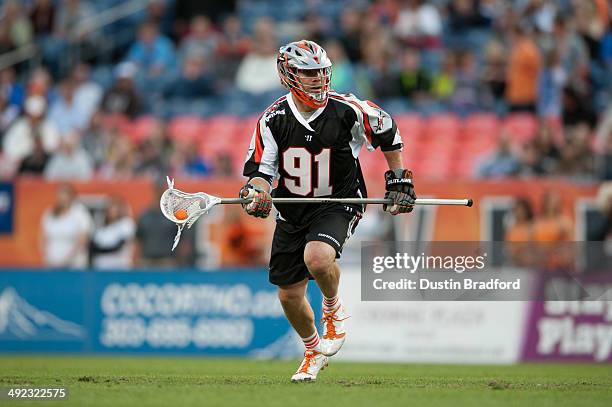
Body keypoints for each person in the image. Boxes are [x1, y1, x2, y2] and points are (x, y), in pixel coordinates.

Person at [240, 40, 416, 382]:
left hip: (340, 200)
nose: (317, 79)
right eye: (307, 73)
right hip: (293, 210)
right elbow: (261, 173)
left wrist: (397, 177)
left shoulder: (347, 108)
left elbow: (387, 130)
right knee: (289, 295)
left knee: (318, 258)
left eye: (321, 72)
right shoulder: (272, 119)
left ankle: (333, 310)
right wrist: (256, 195)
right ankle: (312, 351)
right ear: (287, 75)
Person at [40, 183, 92, 268]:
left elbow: (83, 239)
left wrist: (67, 259)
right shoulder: (49, 213)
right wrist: (46, 257)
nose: (62, 197)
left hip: (74, 264)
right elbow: (42, 237)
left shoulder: (80, 213)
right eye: (59, 193)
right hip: (52, 263)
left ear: (72, 196)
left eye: (65, 193)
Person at [90, 197, 136, 269]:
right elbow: (92, 247)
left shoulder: (126, 224)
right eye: (109, 208)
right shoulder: (100, 228)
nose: (111, 211)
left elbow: (118, 246)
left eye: (114, 208)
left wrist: (101, 250)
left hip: (119, 267)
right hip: (100, 267)